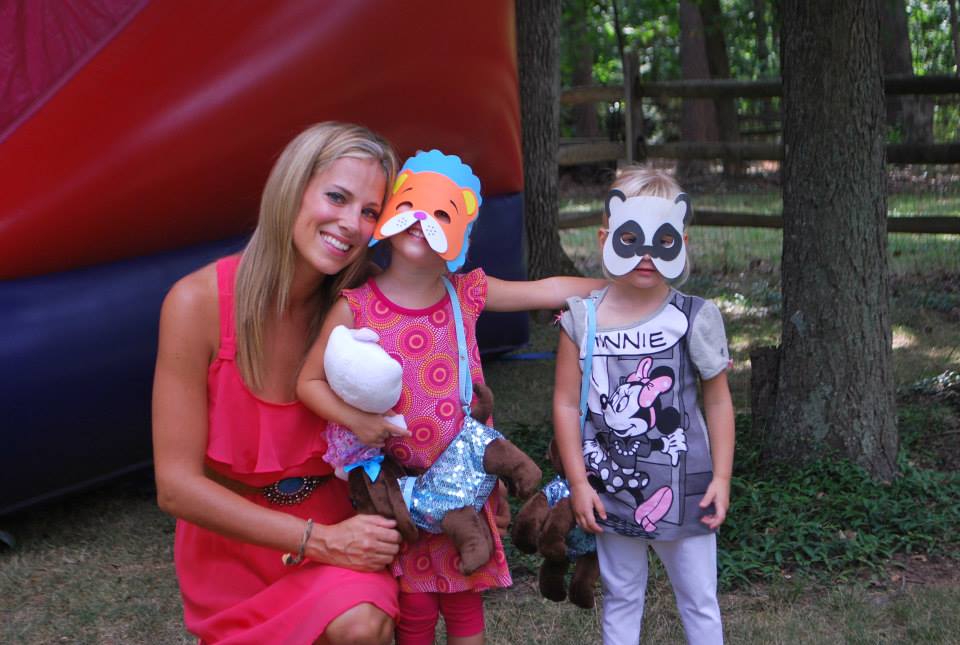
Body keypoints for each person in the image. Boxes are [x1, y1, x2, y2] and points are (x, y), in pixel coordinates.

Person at [296, 150, 604, 645]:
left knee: (465, 607)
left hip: (463, 490)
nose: (422, 221)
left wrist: (620, 288)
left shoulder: (467, 293)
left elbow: (546, 289)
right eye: (410, 205)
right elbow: (307, 382)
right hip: (399, 496)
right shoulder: (355, 306)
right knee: (413, 613)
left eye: (442, 213)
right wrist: (357, 422)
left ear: (461, 232)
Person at [152, 122, 412, 645]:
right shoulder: (195, 304)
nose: (351, 224)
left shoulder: (368, 300)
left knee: (361, 623)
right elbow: (175, 487)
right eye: (336, 197)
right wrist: (322, 542)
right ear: (291, 190)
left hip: (343, 524)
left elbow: (434, 383)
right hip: (233, 544)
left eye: (370, 212)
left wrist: (475, 478)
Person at [552, 167, 735, 645]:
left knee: (699, 599)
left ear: (682, 243)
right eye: (631, 239)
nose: (647, 253)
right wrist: (578, 483)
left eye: (663, 240)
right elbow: (566, 403)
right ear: (606, 238)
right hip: (610, 491)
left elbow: (718, 400)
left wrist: (721, 477)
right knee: (621, 595)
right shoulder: (581, 320)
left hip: (688, 489)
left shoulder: (695, 317)